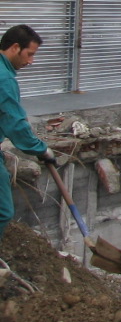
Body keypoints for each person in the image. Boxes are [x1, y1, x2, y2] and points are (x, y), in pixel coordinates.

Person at [0, 25, 55, 244]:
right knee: (2, 212)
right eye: (29, 54)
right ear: (15, 47)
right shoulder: (4, 79)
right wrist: (41, 149)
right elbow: (14, 123)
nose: (31, 61)